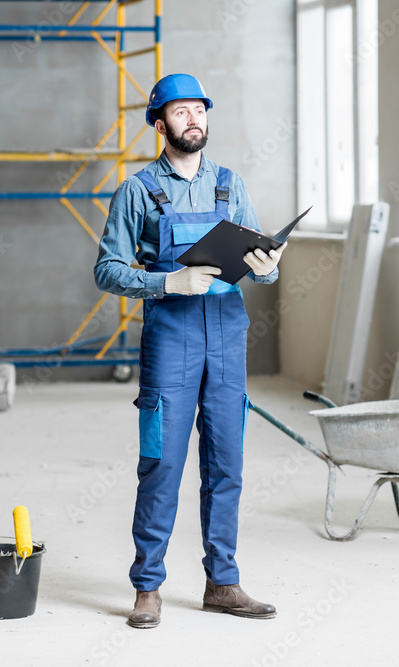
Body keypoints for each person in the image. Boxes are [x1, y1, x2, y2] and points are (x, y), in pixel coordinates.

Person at [93, 73, 286, 629]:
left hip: (227, 336)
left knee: (226, 464)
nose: (193, 119)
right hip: (171, 340)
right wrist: (165, 284)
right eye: (179, 112)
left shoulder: (231, 185)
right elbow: (106, 269)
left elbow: (259, 261)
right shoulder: (136, 191)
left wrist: (269, 269)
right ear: (160, 124)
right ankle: (147, 588)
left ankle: (222, 582)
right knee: (162, 464)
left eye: (199, 109)